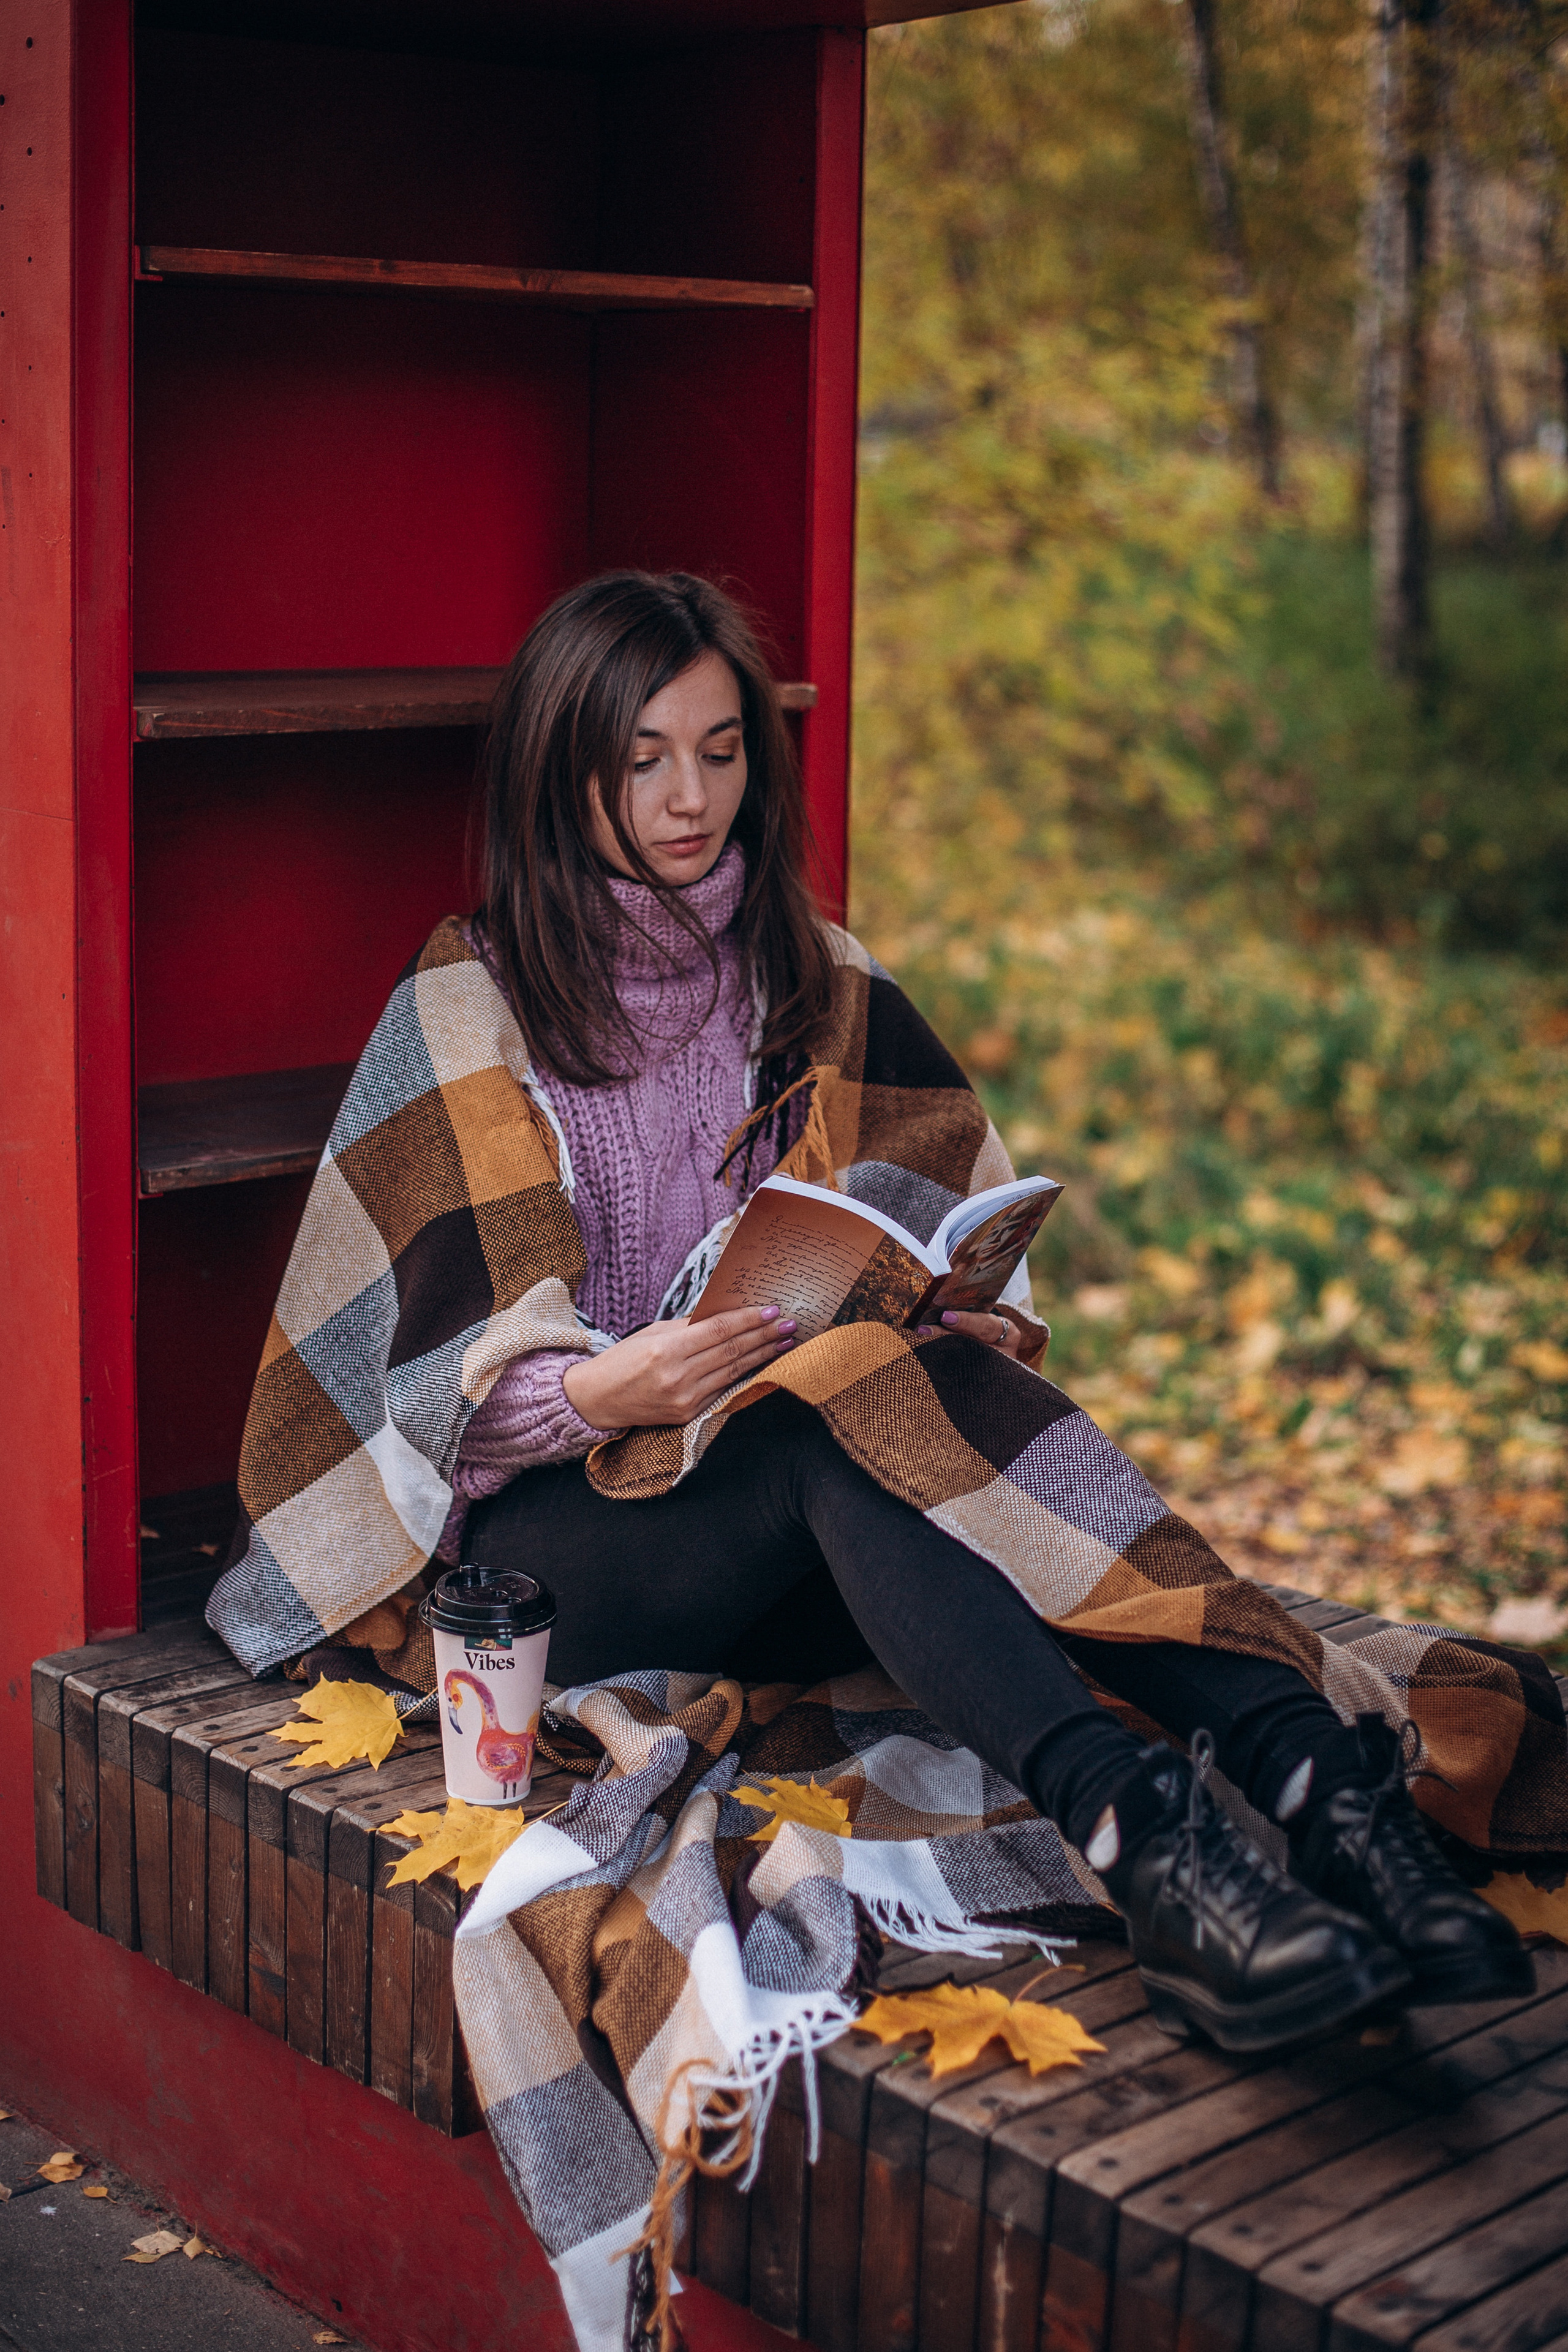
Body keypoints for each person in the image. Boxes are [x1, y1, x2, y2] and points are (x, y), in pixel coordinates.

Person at [211, 570, 1540, 2059]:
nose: (687, 795)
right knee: (833, 1420)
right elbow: (427, 1395)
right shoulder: (472, 999)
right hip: (555, 1543)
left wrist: (939, 1305)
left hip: (803, 1504)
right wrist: (604, 1391)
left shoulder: (823, 981)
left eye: (719, 751)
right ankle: (1167, 1831)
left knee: (879, 1388)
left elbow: (960, 1272)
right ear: (556, 767)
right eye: (639, 757)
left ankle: (1325, 1805)